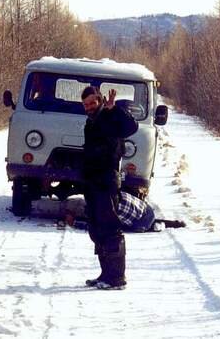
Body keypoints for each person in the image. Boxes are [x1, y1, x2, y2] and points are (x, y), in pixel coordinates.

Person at [81, 85, 138, 290]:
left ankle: (117, 278)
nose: (89, 107)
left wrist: (114, 109)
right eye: (85, 104)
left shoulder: (110, 117)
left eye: (92, 103)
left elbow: (130, 127)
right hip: (93, 182)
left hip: (106, 182)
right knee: (97, 229)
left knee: (110, 228)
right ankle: (106, 274)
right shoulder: (91, 122)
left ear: (100, 100)